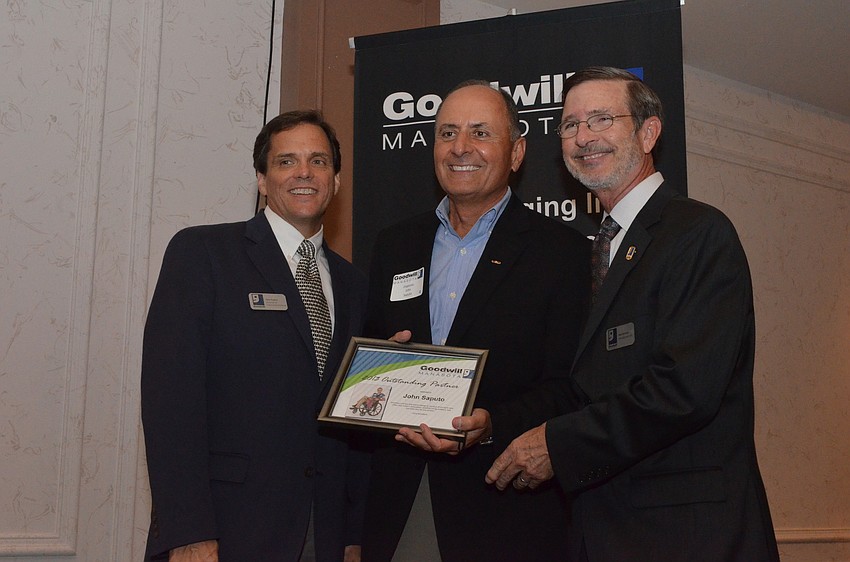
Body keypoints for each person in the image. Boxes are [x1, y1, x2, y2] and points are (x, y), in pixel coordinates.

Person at [485, 66, 780, 561]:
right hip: (600, 530)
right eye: (570, 124)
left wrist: (557, 445)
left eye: (601, 119)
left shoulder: (697, 233)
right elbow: (579, 385)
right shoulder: (593, 253)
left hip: (686, 535)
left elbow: (683, 390)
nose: (583, 137)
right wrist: (489, 420)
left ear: (648, 132)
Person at [361, 80, 590, 561]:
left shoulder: (562, 254)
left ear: (516, 152)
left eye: (480, 132)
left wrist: (491, 425)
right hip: (399, 505)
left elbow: (570, 387)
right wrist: (381, 368)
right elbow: (365, 367)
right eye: (447, 133)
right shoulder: (393, 245)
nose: (460, 147)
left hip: (504, 510)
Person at [141, 110, 369, 561]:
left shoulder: (354, 285)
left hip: (319, 536)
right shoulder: (203, 254)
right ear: (262, 180)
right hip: (224, 531)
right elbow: (171, 405)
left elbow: (352, 427)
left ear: (336, 180)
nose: (304, 172)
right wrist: (188, 532)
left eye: (319, 161)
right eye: (287, 161)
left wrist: (350, 535)